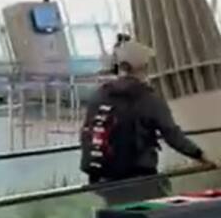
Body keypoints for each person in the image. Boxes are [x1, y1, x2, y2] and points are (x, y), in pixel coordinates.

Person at [81, 40, 213, 191]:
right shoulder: (148, 99)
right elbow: (173, 136)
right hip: (138, 179)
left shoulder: (99, 95)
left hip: (100, 178)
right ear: (143, 67)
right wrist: (202, 156)